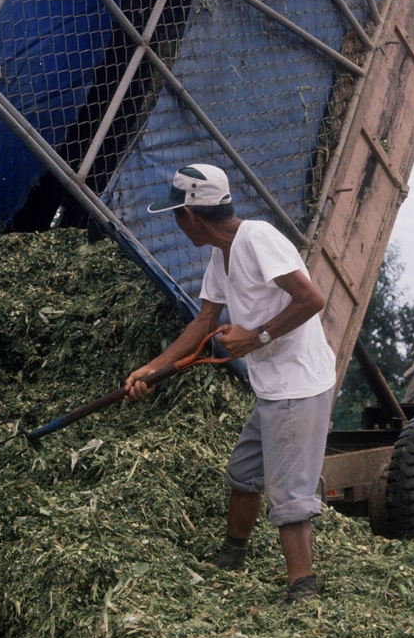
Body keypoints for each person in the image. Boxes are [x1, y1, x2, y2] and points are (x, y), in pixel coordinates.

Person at [124, 164, 336, 604]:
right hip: (272, 384)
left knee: (289, 496)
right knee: (243, 472)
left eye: (176, 215)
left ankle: (302, 589)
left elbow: (312, 299)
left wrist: (256, 337)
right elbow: (205, 321)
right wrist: (153, 369)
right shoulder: (221, 255)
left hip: (298, 385)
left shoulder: (258, 239)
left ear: (191, 215)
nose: (177, 223)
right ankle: (232, 555)